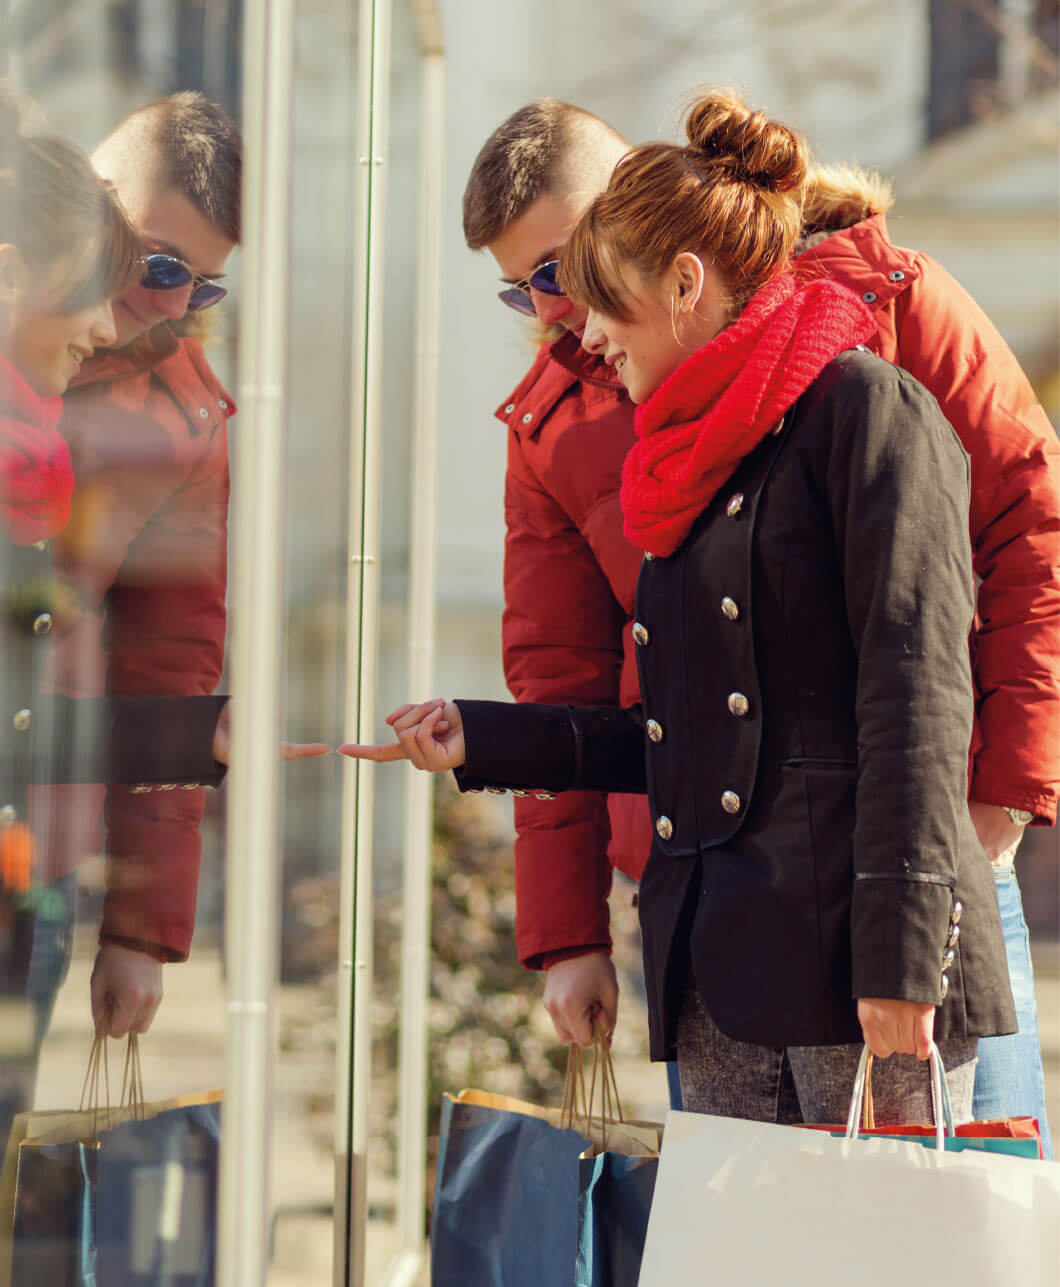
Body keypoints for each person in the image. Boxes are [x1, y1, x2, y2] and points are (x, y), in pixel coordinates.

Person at [347, 89, 1019, 1127]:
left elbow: (919, 680)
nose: (566, 322)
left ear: (672, 263)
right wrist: (480, 741)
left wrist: (947, 878)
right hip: (715, 946)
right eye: (521, 293)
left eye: (574, 276)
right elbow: (650, 710)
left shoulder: (869, 379)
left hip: (890, 906)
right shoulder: (657, 457)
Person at [29, 91, 241, 1042]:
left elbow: (170, 670)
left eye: (201, 287)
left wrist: (141, 933)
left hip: (27, 840)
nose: (168, 304)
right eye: (157, 264)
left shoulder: (188, 419)